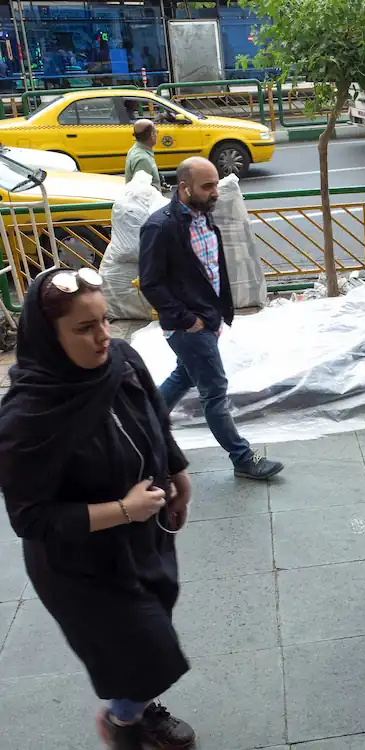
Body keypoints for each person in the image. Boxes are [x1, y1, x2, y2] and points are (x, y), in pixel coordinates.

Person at [0, 268, 196, 750]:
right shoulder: (26, 418)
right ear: (49, 337)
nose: (103, 336)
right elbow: (31, 519)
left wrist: (177, 472)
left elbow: (156, 415)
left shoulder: (123, 361)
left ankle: (136, 707)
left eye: (104, 320)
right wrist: (123, 510)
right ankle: (122, 724)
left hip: (143, 540)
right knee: (151, 651)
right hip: (80, 567)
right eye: (84, 329)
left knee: (144, 643)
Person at [139, 156, 283, 480]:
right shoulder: (160, 227)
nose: (215, 191)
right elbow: (150, 282)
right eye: (207, 186)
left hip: (207, 319)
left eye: (216, 183)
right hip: (190, 327)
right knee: (214, 390)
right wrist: (188, 320)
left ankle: (143, 427)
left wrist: (217, 314)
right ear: (184, 188)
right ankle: (243, 459)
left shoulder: (204, 217)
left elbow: (210, 271)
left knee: (184, 376)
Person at [124, 118, 161, 186]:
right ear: (152, 135)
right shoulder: (143, 160)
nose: (157, 134)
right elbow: (142, 191)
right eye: (156, 131)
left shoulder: (135, 149)